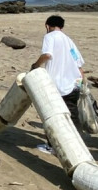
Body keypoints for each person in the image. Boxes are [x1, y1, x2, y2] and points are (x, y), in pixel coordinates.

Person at [30, 15, 85, 153]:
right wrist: (81, 83)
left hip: (57, 84)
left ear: (47, 26)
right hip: (74, 83)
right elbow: (78, 62)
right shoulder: (69, 40)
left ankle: (52, 146)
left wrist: (36, 65)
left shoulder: (50, 37)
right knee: (73, 115)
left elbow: (47, 55)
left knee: (53, 116)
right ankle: (77, 146)